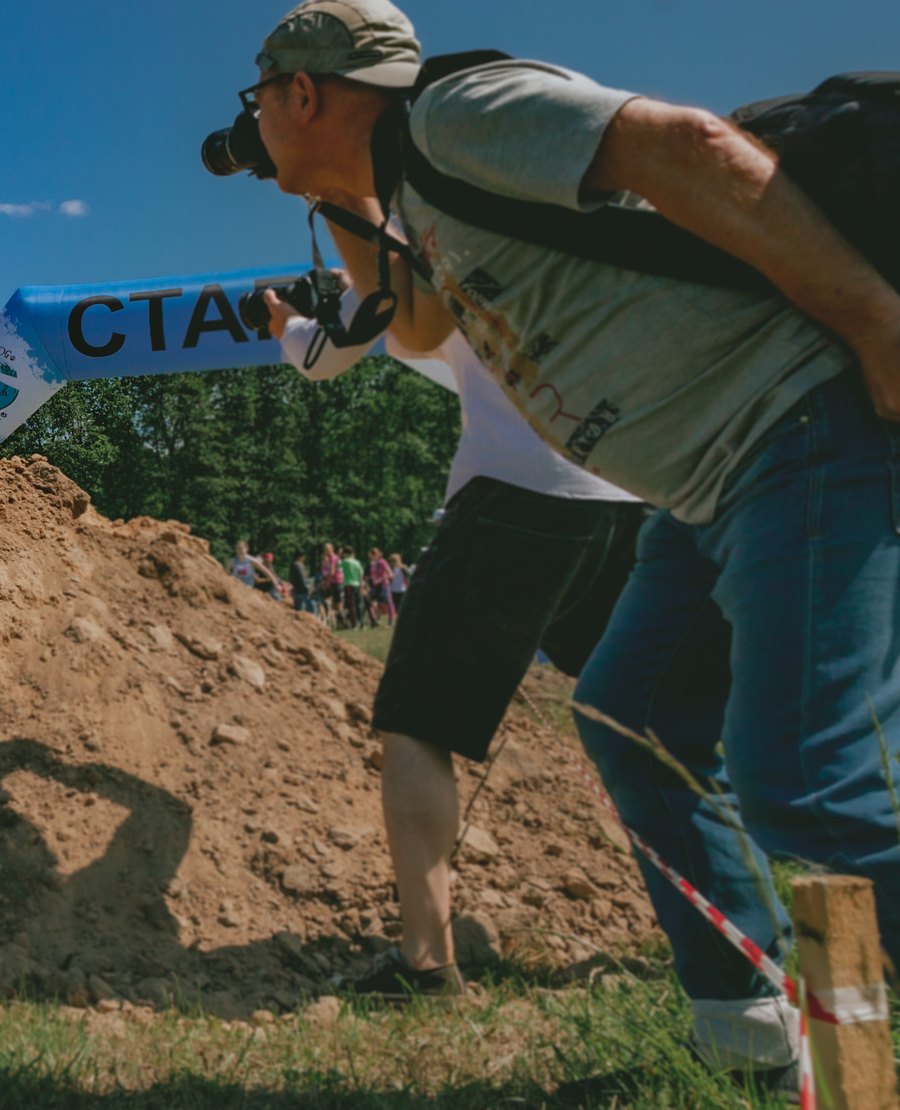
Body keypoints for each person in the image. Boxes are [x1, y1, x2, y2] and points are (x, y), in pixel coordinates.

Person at [222, 0, 900, 1110]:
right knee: (630, 716)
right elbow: (427, 328)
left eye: (256, 106)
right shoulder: (421, 186)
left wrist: (884, 323)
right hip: (716, 480)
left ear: (300, 90)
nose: (251, 133)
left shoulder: (458, 113)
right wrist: (345, 206)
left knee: (812, 774)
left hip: (819, 423)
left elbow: (681, 144)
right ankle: (745, 1026)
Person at [272, 308, 648, 1000]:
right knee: (650, 720)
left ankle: (427, 962)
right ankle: (715, 942)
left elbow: (327, 350)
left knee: (419, 717)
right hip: (632, 494)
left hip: (517, 485)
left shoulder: (434, 219)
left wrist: (286, 322)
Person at [338, 548, 366, 628]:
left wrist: (339, 555)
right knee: (359, 604)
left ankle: (354, 624)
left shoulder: (345, 561)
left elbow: (336, 566)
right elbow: (360, 574)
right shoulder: (357, 562)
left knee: (351, 606)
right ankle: (362, 623)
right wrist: (361, 585)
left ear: (345, 553)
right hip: (357, 584)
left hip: (348, 585)